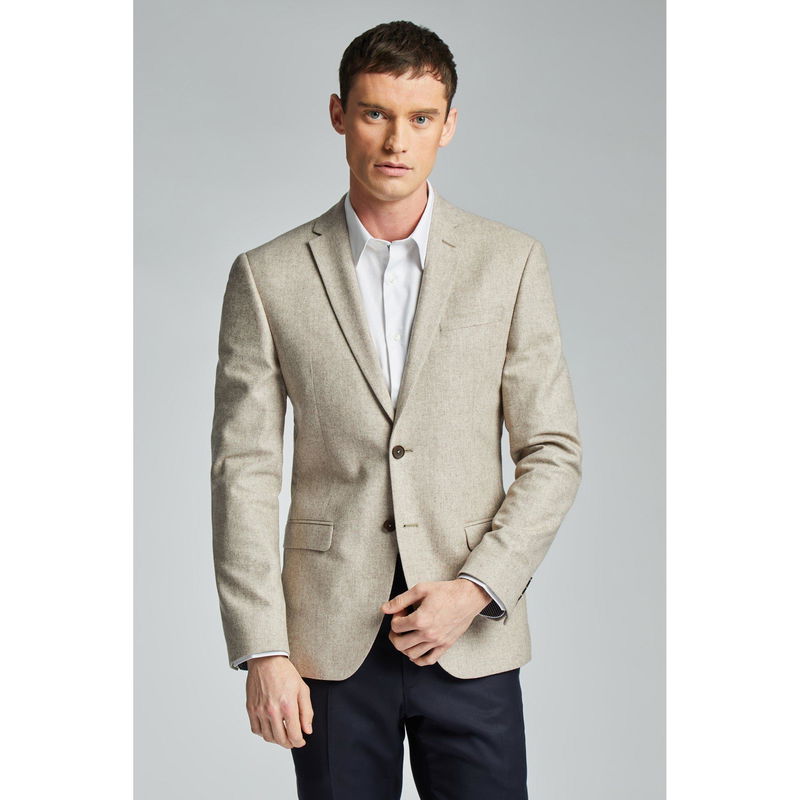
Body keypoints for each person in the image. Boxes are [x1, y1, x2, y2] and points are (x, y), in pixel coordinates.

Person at [211, 19, 582, 800]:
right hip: (326, 644)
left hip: (469, 634)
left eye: (420, 118)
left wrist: (476, 588)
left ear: (449, 125)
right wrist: (263, 648)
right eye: (375, 113)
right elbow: (243, 474)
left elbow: (552, 451)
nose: (395, 141)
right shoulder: (267, 276)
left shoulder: (509, 263)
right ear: (339, 114)